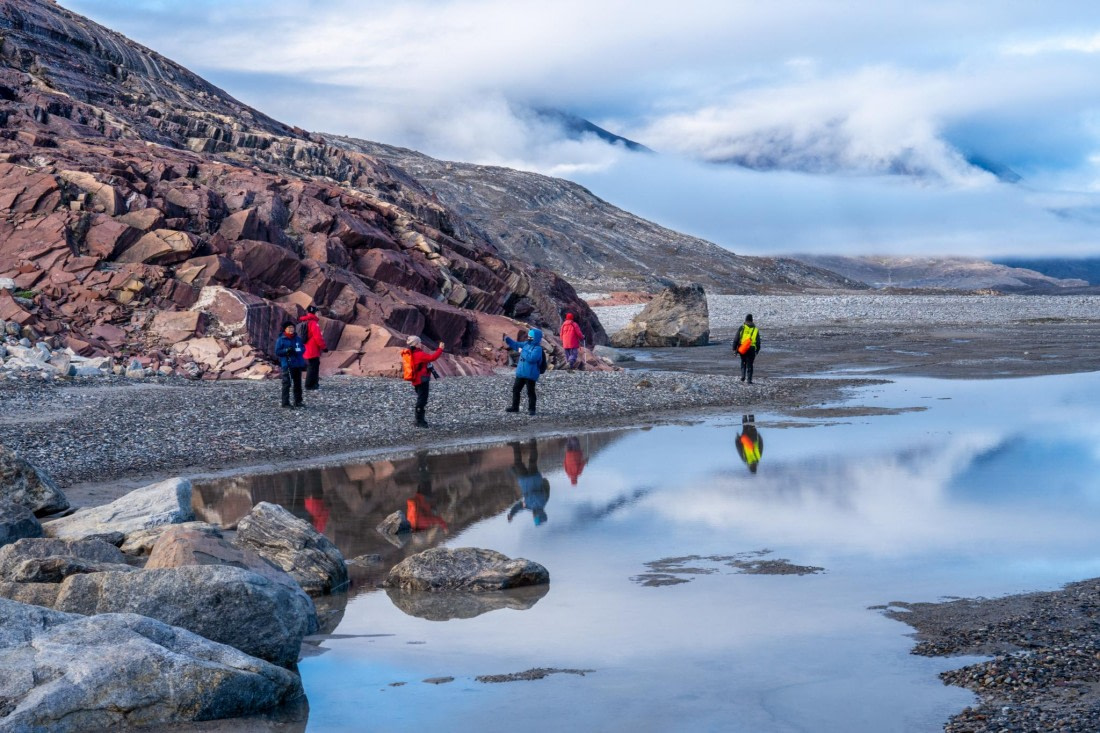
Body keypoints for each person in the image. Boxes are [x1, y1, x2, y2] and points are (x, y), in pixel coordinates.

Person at [403, 335, 444, 428]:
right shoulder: (419, 354)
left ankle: (419, 420)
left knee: (421, 399)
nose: (420, 344)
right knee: (422, 400)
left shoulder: (412, 353)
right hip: (422, 380)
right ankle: (419, 421)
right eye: (419, 342)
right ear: (416, 344)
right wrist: (440, 349)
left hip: (416, 380)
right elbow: (432, 358)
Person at [503, 327, 545, 415]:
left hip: (530, 374)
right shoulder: (526, 344)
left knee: (530, 391)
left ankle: (532, 409)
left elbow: (532, 358)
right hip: (521, 373)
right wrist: (508, 340)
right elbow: (516, 345)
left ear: (535, 338)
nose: (529, 338)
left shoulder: (538, 349)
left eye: (531, 336)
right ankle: (515, 407)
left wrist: (522, 351)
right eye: (529, 336)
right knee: (516, 389)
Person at [507, 440, 550, 525]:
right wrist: (527, 501)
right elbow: (539, 493)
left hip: (524, 480)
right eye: (535, 517)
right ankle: (533, 442)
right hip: (533, 478)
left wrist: (511, 514)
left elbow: (518, 507)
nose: (533, 517)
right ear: (539, 515)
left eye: (534, 518)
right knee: (532, 461)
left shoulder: (529, 507)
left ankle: (516, 445)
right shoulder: (542, 502)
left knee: (518, 464)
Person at [274, 321, 306, 408]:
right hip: (287, 364)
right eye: (289, 328)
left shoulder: (297, 338)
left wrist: (296, 351)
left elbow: (303, 348)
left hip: (297, 364)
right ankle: (285, 403)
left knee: (298, 383)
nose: (291, 329)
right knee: (287, 383)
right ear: (285, 329)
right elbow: (277, 352)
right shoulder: (281, 340)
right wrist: (286, 351)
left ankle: (298, 401)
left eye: (292, 327)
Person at [299, 305, 327, 390]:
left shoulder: (305, 321)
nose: (318, 314)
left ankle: (312, 384)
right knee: (313, 366)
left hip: (306, 347)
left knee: (312, 365)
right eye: (317, 312)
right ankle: (310, 385)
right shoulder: (313, 323)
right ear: (315, 312)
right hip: (313, 348)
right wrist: (324, 347)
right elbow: (318, 337)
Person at [734, 313, 761, 384]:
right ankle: (749, 380)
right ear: (752, 320)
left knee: (743, 362)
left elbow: (736, 338)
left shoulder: (742, 327)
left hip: (742, 347)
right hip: (751, 349)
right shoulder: (755, 329)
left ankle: (743, 376)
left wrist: (734, 348)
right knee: (750, 364)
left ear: (745, 320)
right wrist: (757, 350)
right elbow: (758, 341)